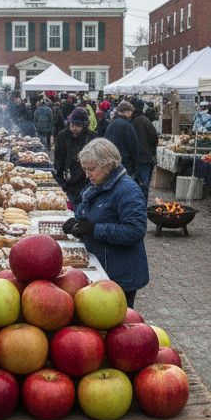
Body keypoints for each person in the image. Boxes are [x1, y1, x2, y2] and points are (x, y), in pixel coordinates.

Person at [62, 138, 149, 307]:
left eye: (91, 169)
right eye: (85, 169)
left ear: (108, 165)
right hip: (102, 266)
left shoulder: (127, 190)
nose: (87, 174)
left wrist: (94, 229)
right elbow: (89, 213)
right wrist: (77, 223)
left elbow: (135, 230)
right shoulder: (100, 183)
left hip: (121, 275)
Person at [54, 109, 94, 205]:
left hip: (86, 184)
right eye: (72, 125)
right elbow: (58, 161)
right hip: (67, 184)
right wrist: (62, 183)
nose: (74, 128)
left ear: (84, 126)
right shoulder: (62, 136)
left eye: (78, 126)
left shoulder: (92, 138)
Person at [104, 101, 141, 178]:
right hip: (125, 164)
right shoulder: (128, 125)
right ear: (127, 112)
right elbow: (134, 147)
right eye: (131, 111)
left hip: (110, 163)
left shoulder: (111, 124)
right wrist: (134, 167)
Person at [131, 100, 158, 194]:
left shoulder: (133, 121)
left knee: (138, 184)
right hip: (145, 157)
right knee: (143, 183)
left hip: (137, 158)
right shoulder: (145, 120)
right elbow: (154, 138)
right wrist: (151, 152)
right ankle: (142, 203)